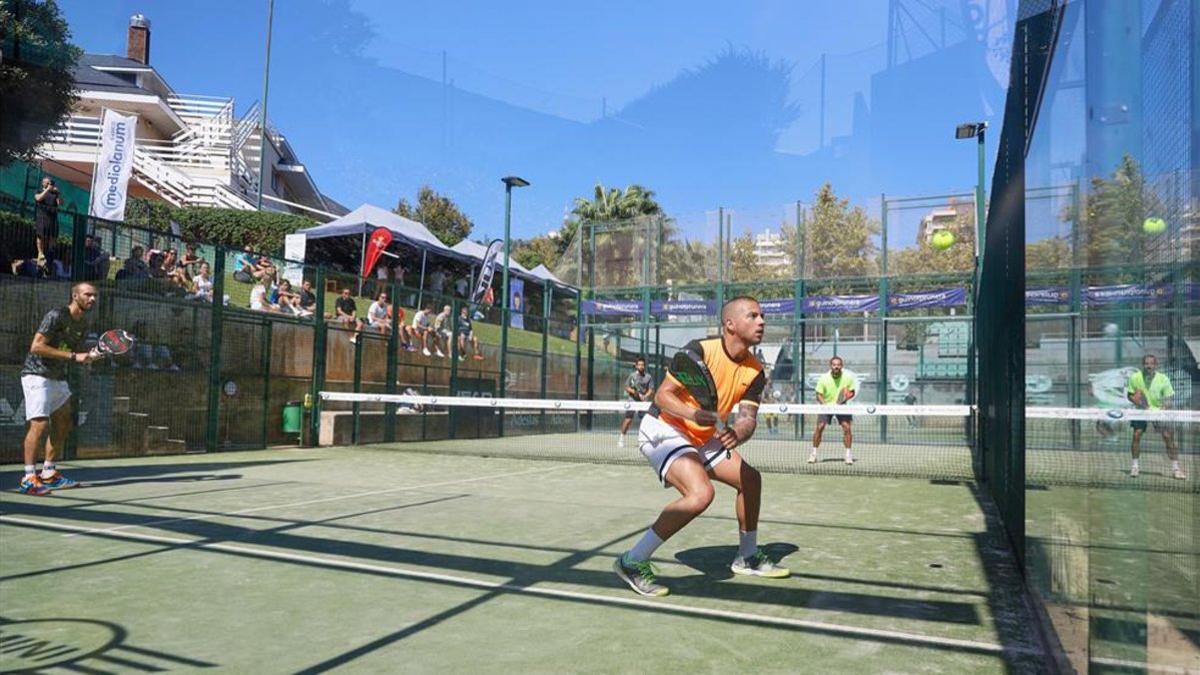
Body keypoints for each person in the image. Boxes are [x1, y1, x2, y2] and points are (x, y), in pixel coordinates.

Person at [614, 296, 788, 597]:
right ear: (730, 324)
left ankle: (747, 556)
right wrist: (695, 414)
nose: (762, 322)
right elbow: (663, 396)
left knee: (750, 479)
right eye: (753, 316)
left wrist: (739, 433)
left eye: (762, 316)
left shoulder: (755, 371)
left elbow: (748, 417)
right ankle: (632, 560)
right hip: (665, 428)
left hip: (703, 435)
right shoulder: (698, 352)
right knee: (700, 494)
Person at [19, 282, 103, 495]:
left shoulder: (83, 324)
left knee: (64, 421)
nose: (92, 299)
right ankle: (29, 477)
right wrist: (75, 357)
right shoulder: (56, 315)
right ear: (75, 296)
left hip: (58, 377)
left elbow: (70, 351)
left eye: (94, 296)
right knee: (39, 425)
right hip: (37, 375)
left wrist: (89, 355)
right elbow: (36, 346)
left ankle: (48, 472)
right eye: (88, 295)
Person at [1126, 354, 1184, 480]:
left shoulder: (1163, 379)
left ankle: (1176, 468)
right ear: (1143, 364)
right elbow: (1130, 395)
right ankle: (1135, 466)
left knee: (1168, 437)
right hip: (1141, 411)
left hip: (1159, 411)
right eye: (1146, 363)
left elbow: (1169, 398)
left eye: (1151, 364)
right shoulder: (1135, 378)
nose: (1149, 366)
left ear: (1155, 365)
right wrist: (1139, 403)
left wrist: (1165, 406)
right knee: (1136, 435)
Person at [809, 356, 857, 465]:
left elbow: (852, 392)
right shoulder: (824, 378)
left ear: (841, 366)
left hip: (842, 406)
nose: (836, 367)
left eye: (838, 365)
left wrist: (844, 399)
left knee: (847, 428)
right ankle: (814, 454)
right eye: (834, 365)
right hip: (826, 405)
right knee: (820, 427)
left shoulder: (848, 378)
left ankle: (848, 455)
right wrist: (825, 405)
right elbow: (818, 395)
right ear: (830, 366)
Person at [618, 357, 655, 448]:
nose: (641, 366)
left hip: (643, 402)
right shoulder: (632, 376)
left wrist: (645, 396)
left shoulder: (648, 377)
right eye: (639, 365)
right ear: (636, 366)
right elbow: (626, 387)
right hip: (632, 400)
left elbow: (651, 390)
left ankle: (643, 440)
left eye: (643, 365)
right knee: (628, 420)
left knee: (645, 421)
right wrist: (634, 392)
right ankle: (621, 438)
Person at [33, 177, 62, 264]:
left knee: (53, 236)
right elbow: (38, 198)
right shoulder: (39, 191)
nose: (50, 184)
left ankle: (50, 252)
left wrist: (58, 193)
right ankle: (40, 252)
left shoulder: (54, 194)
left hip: (53, 218)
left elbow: (60, 203)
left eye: (50, 183)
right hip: (42, 217)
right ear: (43, 183)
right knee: (40, 235)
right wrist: (47, 190)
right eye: (47, 183)